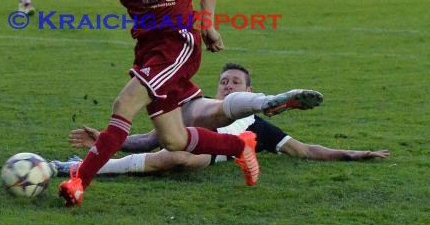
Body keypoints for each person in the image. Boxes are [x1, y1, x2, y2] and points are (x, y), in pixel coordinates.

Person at [58, 0, 262, 207]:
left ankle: (79, 182)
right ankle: (241, 147)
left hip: (178, 41)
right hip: (148, 45)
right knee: (174, 139)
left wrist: (207, 24)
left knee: (124, 105)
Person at [60, 63, 388, 176]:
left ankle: (77, 167)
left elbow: (303, 150)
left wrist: (351, 154)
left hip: (205, 156)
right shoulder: (193, 107)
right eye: (224, 81)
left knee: (183, 157)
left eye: (235, 82)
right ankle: (81, 164)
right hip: (185, 143)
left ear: (246, 88)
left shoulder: (258, 128)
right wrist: (107, 140)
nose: (227, 83)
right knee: (174, 149)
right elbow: (148, 139)